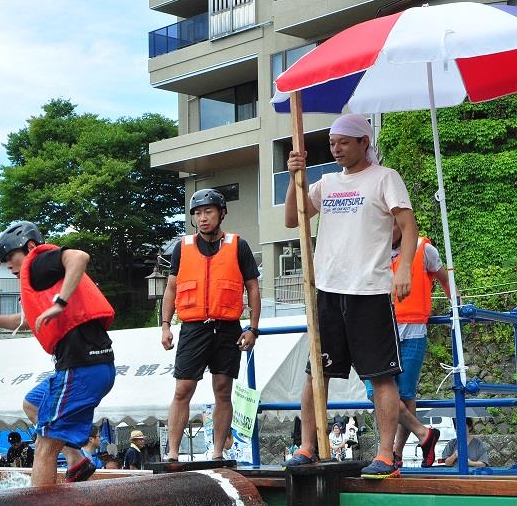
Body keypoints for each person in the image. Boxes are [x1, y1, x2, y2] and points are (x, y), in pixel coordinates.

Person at [284, 114, 422, 479]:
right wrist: (295, 178)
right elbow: (292, 219)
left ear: (364, 142)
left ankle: (386, 455)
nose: (337, 148)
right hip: (328, 289)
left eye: (344, 141)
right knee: (317, 374)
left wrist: (405, 267)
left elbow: (408, 225)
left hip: (369, 289)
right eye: (332, 143)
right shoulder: (326, 182)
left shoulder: (384, 177)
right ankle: (307, 447)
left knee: (380, 376)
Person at [0, 221, 116, 487]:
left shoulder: (39, 261)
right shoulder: (42, 278)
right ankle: (76, 459)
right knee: (32, 404)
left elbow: (79, 257)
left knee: (44, 446)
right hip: (89, 366)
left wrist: (60, 303)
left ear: (29, 246)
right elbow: (23, 320)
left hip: (81, 367)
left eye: (10, 256)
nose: (7, 264)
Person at [160, 188, 261, 463]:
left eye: (208, 211)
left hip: (228, 326)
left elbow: (253, 287)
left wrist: (252, 328)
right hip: (193, 327)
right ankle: (172, 453)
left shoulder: (238, 245)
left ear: (221, 213)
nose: (203, 218)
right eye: (197, 213)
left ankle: (217, 452)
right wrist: (166, 325)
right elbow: (171, 288)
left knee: (223, 389)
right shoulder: (183, 247)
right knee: (183, 388)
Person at [364, 219, 451, 467]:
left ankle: (396, 452)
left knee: (406, 393)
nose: (386, 231)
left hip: (413, 327)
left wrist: (453, 305)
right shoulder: (374, 250)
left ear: (401, 226)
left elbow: (445, 278)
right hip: (380, 327)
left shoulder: (424, 248)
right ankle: (424, 434)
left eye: (391, 225)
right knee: (375, 392)